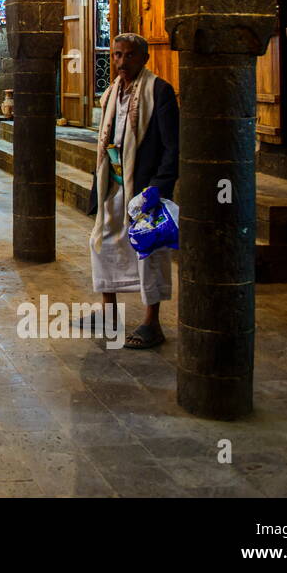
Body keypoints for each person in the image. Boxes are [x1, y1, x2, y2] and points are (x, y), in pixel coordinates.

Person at [84, 33, 179, 349]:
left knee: (148, 251)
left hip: (144, 186)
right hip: (112, 181)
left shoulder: (159, 91)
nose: (121, 63)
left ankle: (152, 323)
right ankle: (109, 310)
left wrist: (159, 187)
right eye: (117, 55)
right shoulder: (112, 92)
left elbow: (171, 146)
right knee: (103, 243)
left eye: (128, 56)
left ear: (143, 58)